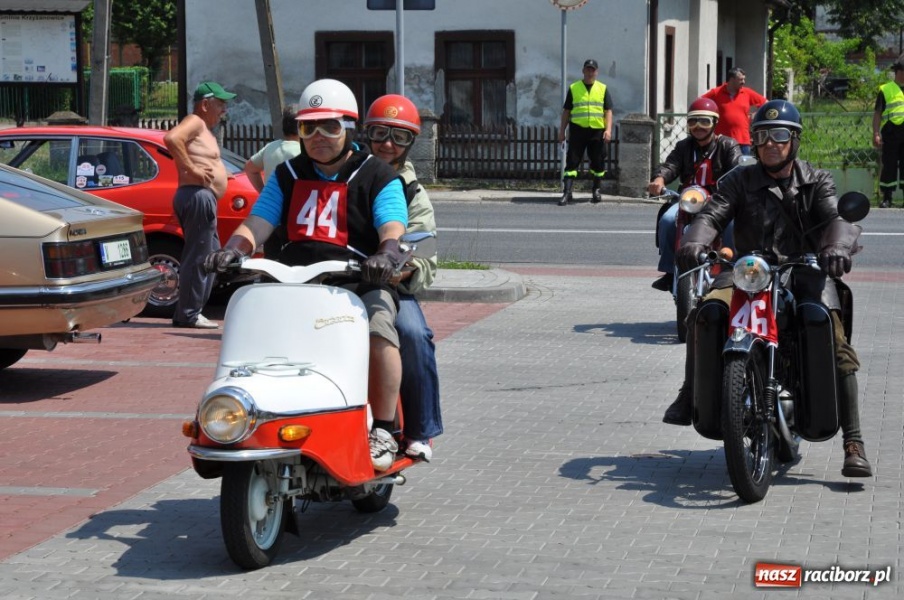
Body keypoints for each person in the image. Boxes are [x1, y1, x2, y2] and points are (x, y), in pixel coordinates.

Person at [204, 79, 409, 472]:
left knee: (380, 331)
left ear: (349, 128)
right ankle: (242, 411)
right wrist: (234, 250)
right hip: (290, 282)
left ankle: (384, 428)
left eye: (329, 126)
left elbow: (392, 224)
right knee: (250, 327)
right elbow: (259, 221)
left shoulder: (378, 175)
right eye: (308, 127)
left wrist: (385, 254)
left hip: (356, 281)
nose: (318, 136)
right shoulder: (286, 174)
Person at [665, 99, 872, 478]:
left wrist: (837, 248)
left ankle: (853, 442)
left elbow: (834, 218)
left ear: (794, 140)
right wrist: (694, 241)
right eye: (762, 136)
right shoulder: (738, 180)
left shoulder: (815, 179)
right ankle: (688, 392)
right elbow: (712, 214)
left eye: (780, 135)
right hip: (750, 271)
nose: (771, 143)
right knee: (706, 311)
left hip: (803, 270)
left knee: (832, 335)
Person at [364, 94, 442, 462]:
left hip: (389, 287)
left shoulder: (414, 192)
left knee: (413, 334)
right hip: (334, 279)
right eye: (380, 133)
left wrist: (405, 271)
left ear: (410, 144)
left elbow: (426, 256)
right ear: (366, 134)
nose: (387, 144)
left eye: (399, 137)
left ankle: (419, 428)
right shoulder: (348, 173)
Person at [648, 97, 742, 291]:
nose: (698, 126)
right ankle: (669, 272)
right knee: (667, 220)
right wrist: (659, 179)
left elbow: (737, 169)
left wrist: (732, 187)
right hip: (688, 200)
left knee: (732, 224)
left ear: (715, 122)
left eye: (704, 121)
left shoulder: (727, 145)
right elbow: (671, 165)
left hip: (719, 200)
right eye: (693, 121)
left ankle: (730, 269)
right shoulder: (683, 146)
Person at [163, 81, 237, 329]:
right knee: (200, 257)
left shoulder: (204, 129)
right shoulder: (194, 121)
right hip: (197, 195)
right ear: (205, 104)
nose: (224, 109)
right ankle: (188, 314)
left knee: (210, 258)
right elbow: (172, 138)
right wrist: (193, 169)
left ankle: (190, 312)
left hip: (202, 196)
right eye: (221, 103)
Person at [557, 59, 614, 206]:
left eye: (592, 70)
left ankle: (596, 190)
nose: (590, 72)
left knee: (598, 161)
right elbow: (566, 111)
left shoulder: (602, 88)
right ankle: (567, 193)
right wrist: (562, 131)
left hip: (597, 131)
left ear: (597, 72)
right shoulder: (574, 88)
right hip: (578, 130)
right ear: (583, 71)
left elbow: (608, 111)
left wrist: (608, 130)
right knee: (572, 161)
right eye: (587, 69)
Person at [702, 67, 768, 155]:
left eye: (744, 79)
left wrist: (756, 115)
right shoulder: (716, 92)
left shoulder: (747, 92)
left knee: (744, 164)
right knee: (721, 164)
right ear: (731, 80)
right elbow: (701, 102)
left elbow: (766, 103)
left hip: (743, 141)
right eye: (740, 79)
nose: (743, 82)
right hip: (721, 140)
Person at [243, 104, 301, 192]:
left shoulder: (270, 147)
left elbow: (249, 168)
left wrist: (264, 192)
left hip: (272, 199)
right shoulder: (304, 151)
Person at [872, 56, 904, 208]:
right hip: (891, 133)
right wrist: (876, 133)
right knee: (889, 164)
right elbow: (878, 113)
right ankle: (887, 197)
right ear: (899, 71)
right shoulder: (886, 89)